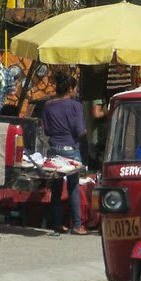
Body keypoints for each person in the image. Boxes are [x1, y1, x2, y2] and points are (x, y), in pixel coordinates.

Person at [39, 74, 88, 234]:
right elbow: (80, 131)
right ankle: (77, 225)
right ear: (70, 88)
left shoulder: (47, 106)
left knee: (56, 187)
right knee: (73, 187)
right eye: (75, 88)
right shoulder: (75, 106)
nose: (76, 91)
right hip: (71, 150)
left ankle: (57, 223)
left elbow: (46, 130)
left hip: (54, 149)